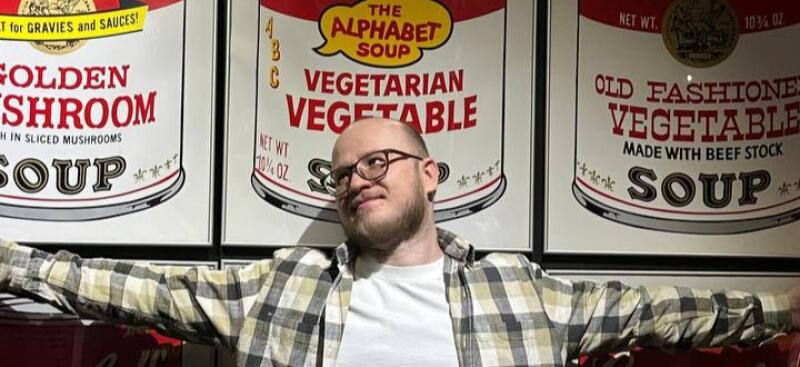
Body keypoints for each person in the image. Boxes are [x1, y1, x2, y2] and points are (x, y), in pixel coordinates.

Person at [1, 117, 799, 367]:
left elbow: (667, 309)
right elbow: (136, 289)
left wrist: (787, 307)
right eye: (342, 171)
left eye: (379, 160)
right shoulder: (285, 287)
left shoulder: (520, 291)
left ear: (431, 174)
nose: (357, 178)